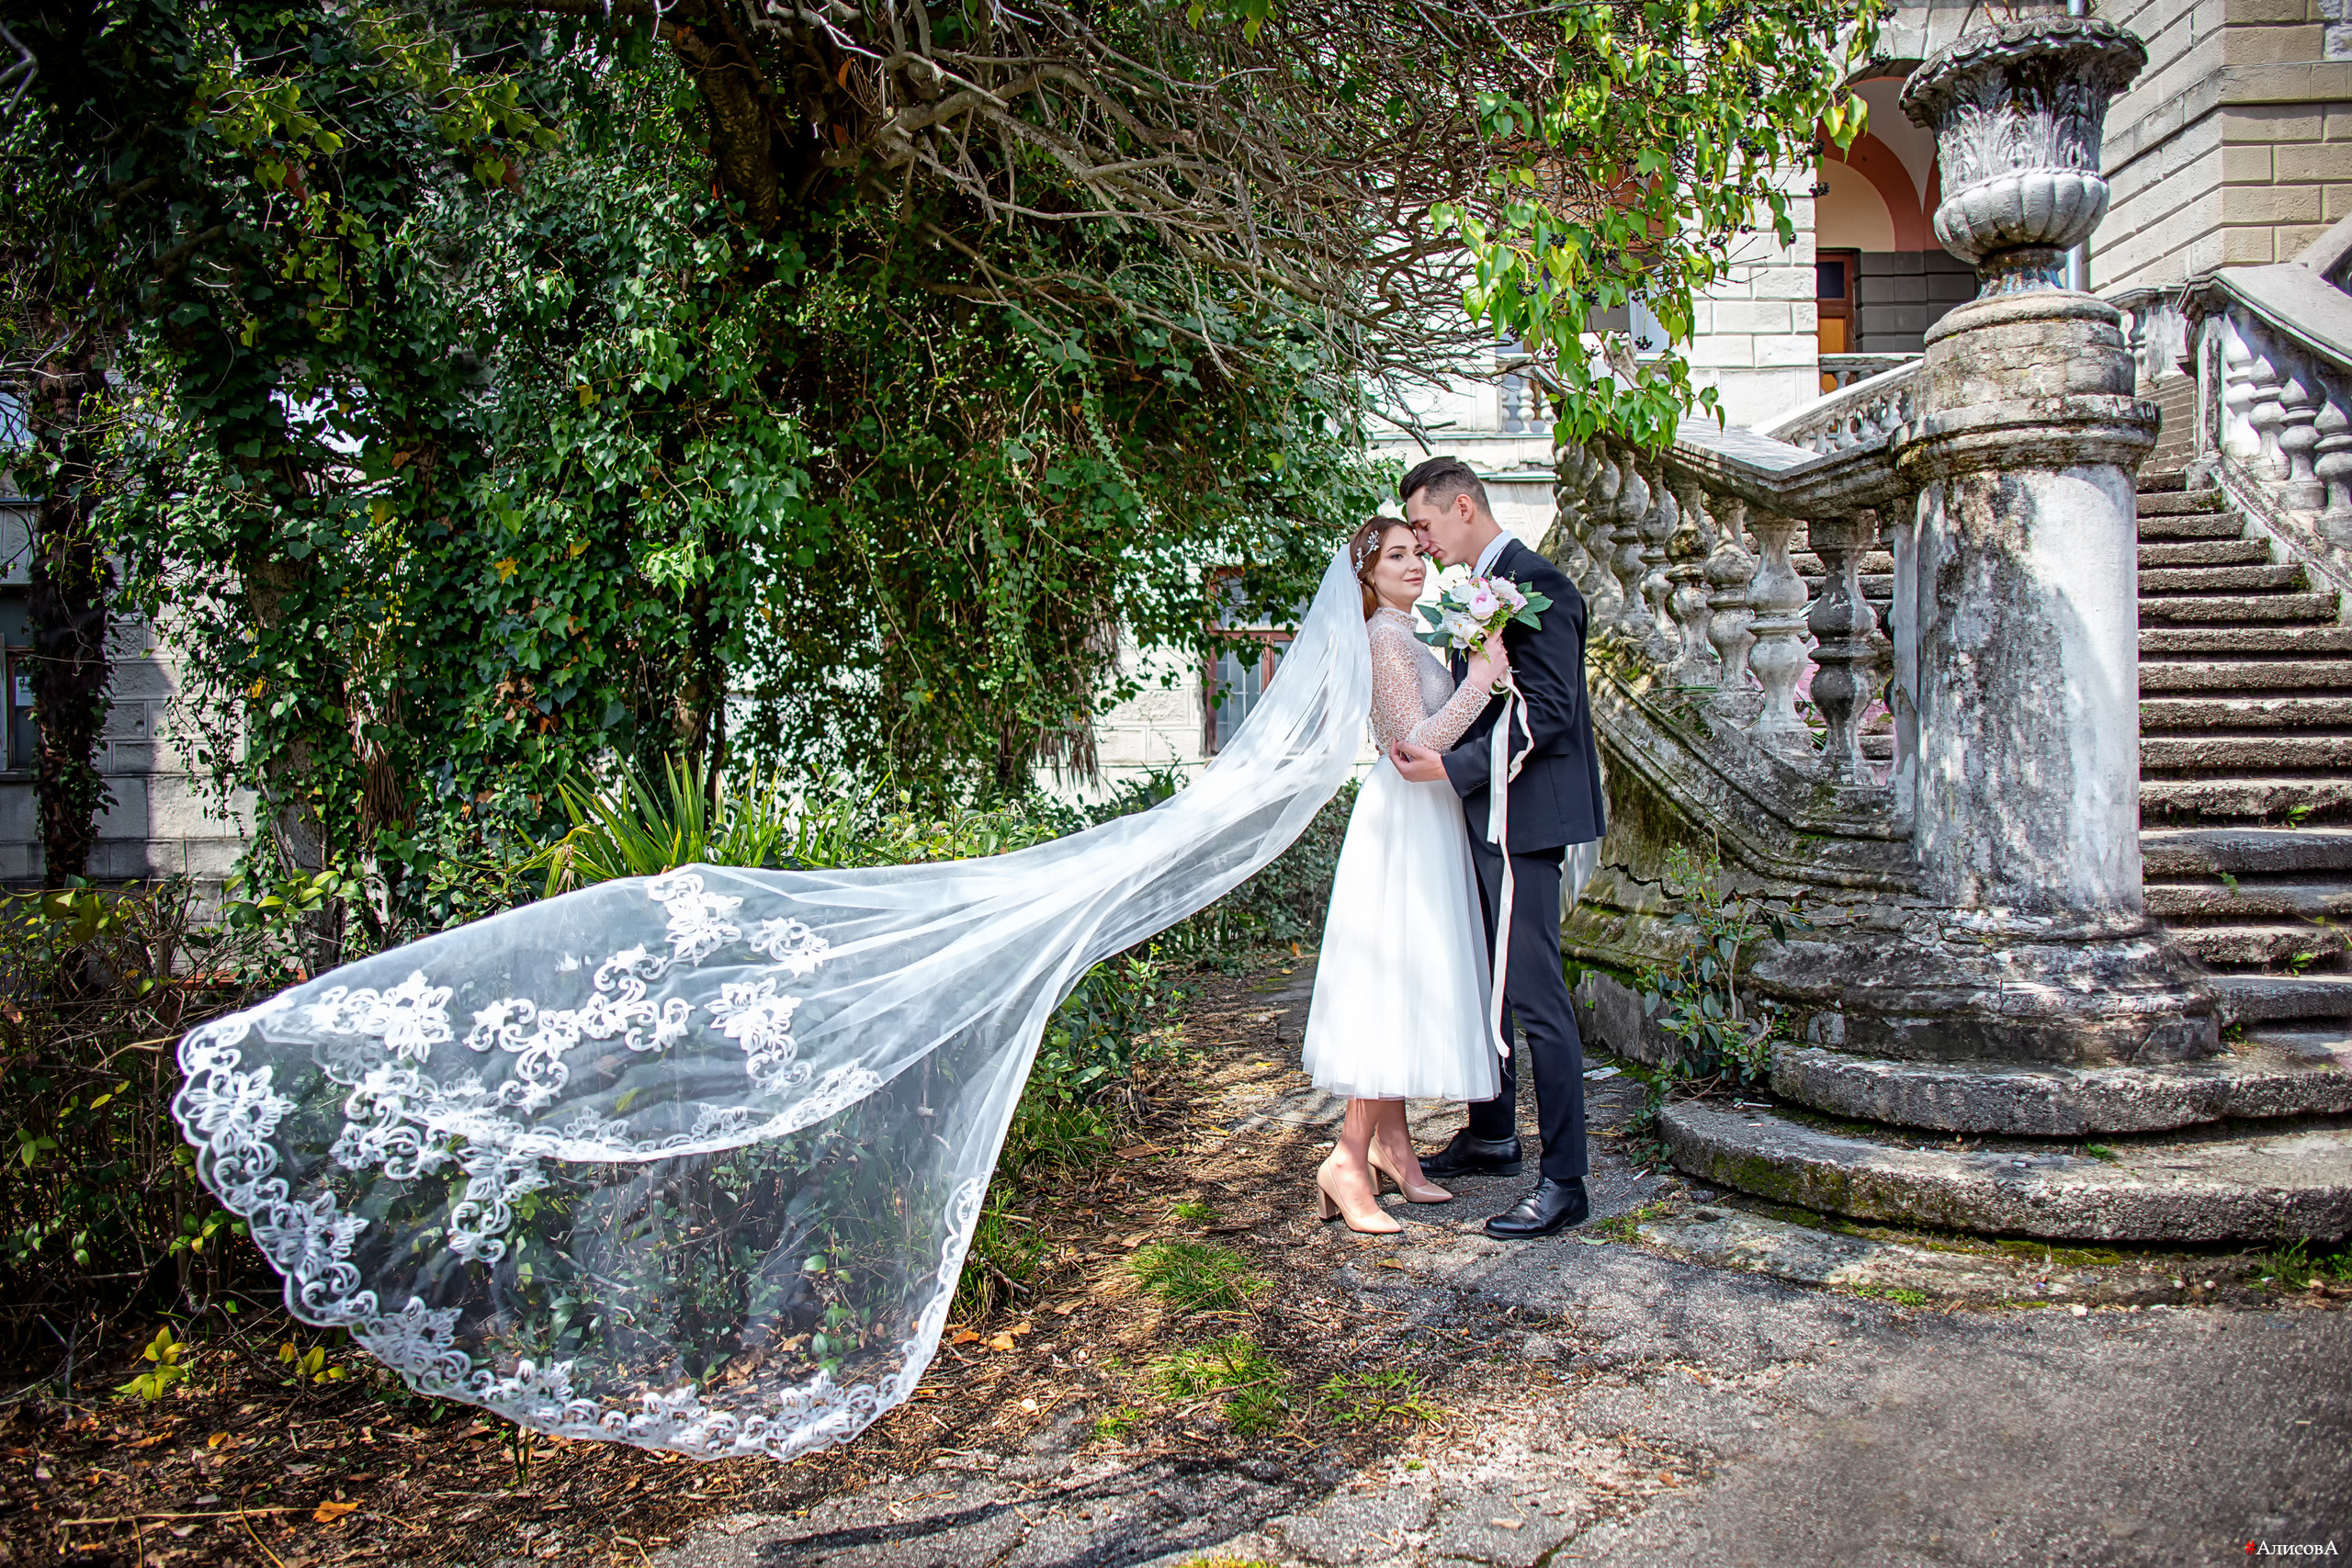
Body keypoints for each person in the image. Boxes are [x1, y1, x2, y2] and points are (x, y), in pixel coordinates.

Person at [1390, 456, 1607, 1239]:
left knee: (1534, 994)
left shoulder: (1540, 584)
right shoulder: (1481, 591)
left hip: (1527, 819)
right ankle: (1491, 1134)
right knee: (1484, 976)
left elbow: (1548, 712)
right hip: (1485, 812)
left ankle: (1567, 1179)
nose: (1421, 542)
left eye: (1424, 525)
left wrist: (1454, 766)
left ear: (1462, 507)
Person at [1298, 518, 1508, 1234]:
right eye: (1397, 556)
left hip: (1426, 817)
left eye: (1417, 552)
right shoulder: (1386, 638)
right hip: (1404, 818)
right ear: (1368, 574)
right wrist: (1480, 683)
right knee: (1393, 984)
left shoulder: (1407, 632)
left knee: (1408, 976)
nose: (1415, 563)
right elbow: (1411, 745)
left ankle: (1396, 1150)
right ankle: (1347, 1158)